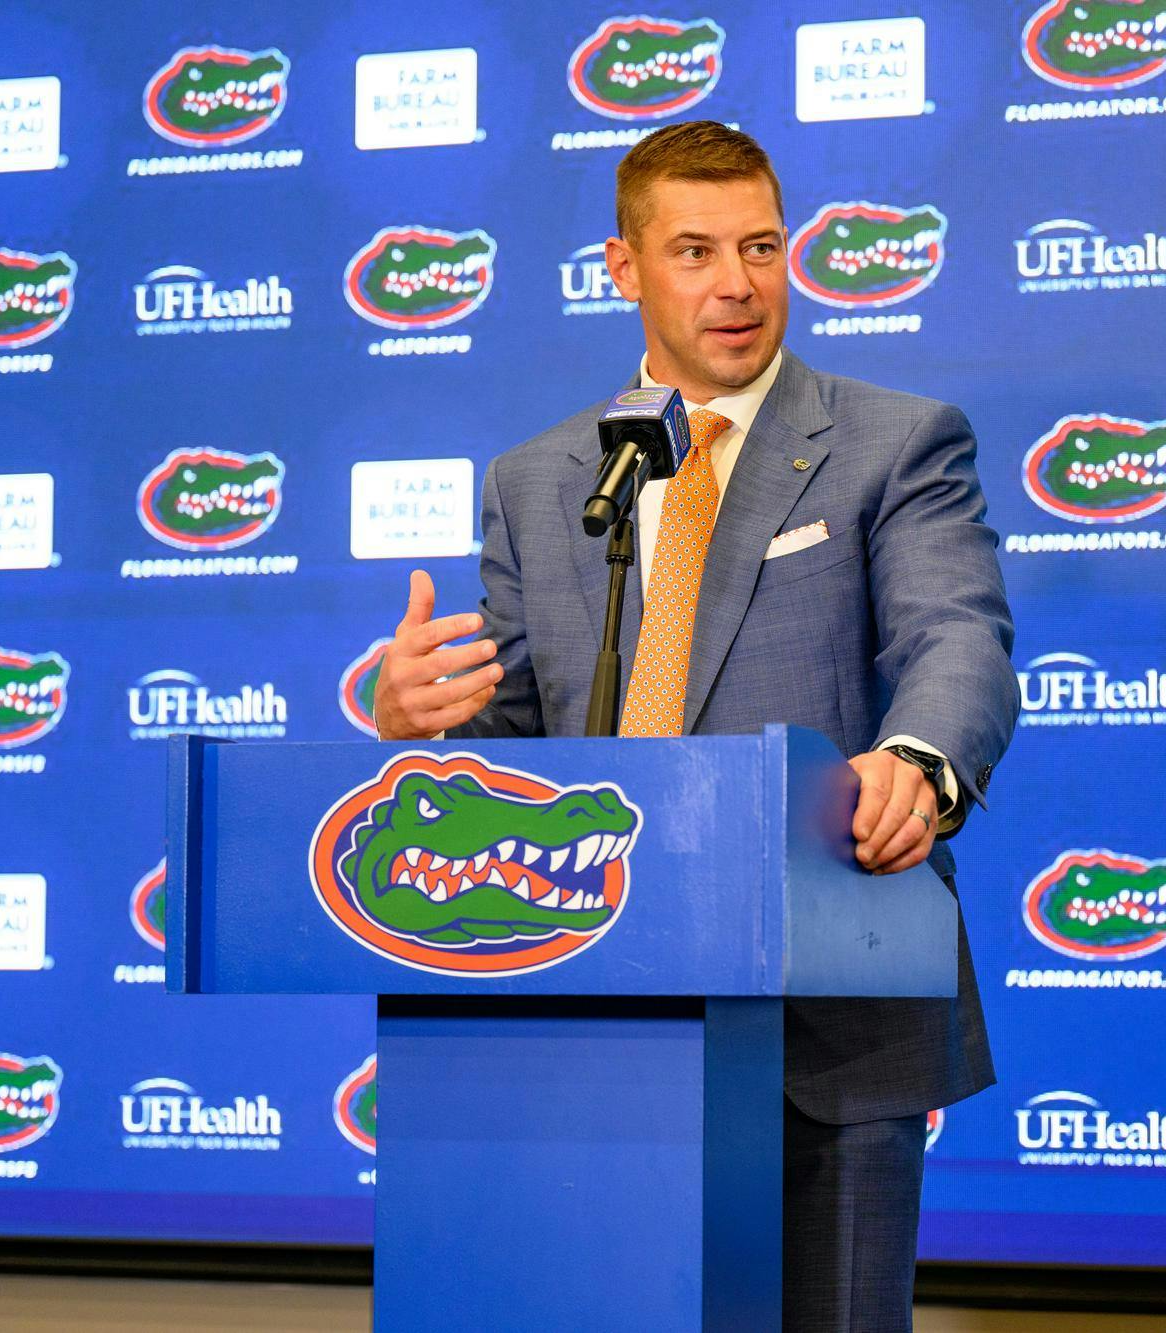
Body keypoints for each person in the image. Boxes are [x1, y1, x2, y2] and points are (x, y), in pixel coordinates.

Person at [373, 120, 1017, 1331]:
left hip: (823, 1015)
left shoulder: (892, 443)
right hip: (586, 1024)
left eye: (761, 246)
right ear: (622, 268)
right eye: (695, 250)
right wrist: (412, 718)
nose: (737, 283)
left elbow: (955, 639)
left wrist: (917, 767)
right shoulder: (541, 480)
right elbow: (511, 732)